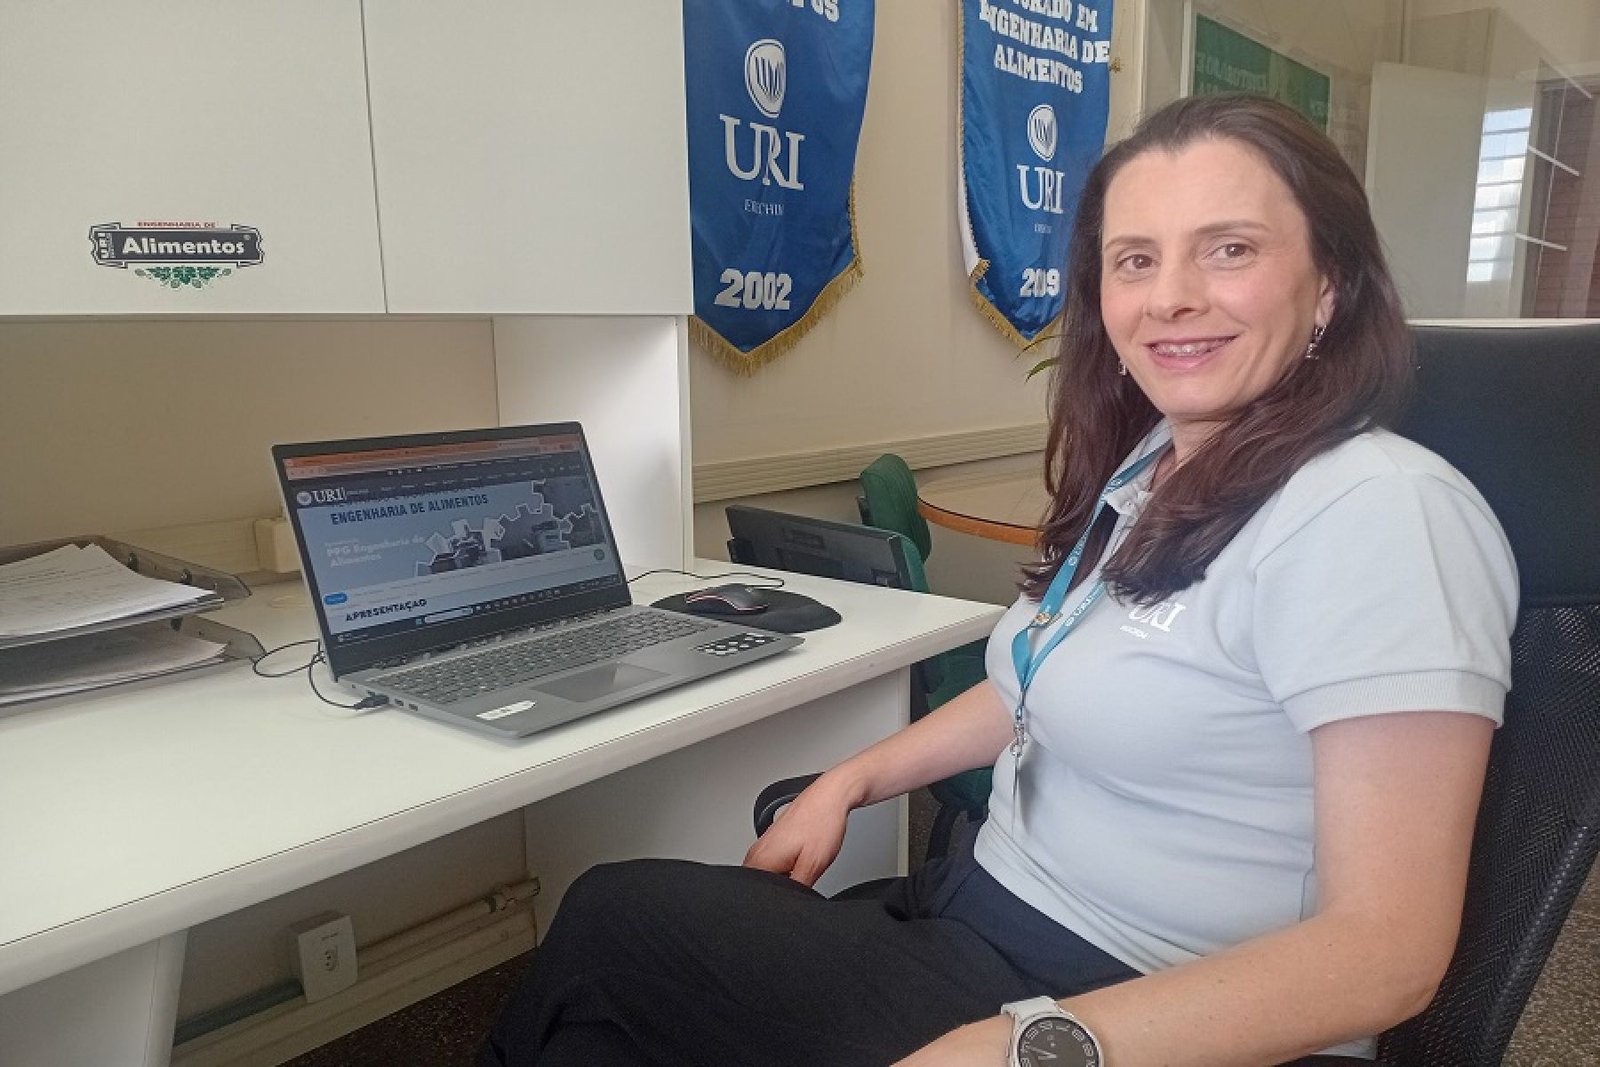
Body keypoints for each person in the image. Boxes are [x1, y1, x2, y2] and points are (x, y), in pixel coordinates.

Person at [479, 93, 1517, 1067]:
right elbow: (1037, 678)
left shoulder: (1378, 512)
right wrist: (851, 779)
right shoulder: (1155, 464)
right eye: (1135, 259)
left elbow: (1386, 952)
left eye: (1229, 249)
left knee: (613, 930)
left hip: (1136, 995)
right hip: (982, 906)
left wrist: (1029, 1044)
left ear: (1329, 285)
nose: (1171, 297)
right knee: (622, 978)